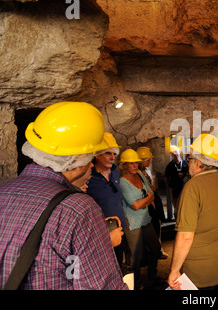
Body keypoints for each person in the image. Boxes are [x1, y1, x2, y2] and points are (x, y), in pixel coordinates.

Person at [0, 101, 128, 290]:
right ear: (78, 161)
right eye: (91, 156)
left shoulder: (4, 191)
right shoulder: (79, 208)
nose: (92, 164)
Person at [168, 134, 218, 290]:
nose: (188, 164)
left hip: (201, 271)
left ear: (199, 162)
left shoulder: (192, 187)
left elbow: (185, 236)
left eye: (190, 160)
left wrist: (174, 271)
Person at [119, 149, 162, 289]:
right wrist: (147, 199)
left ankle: (152, 277)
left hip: (145, 219)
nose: (134, 166)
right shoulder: (123, 182)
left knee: (156, 248)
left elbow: (152, 194)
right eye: (130, 164)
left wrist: (147, 199)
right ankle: (136, 285)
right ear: (124, 165)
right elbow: (135, 205)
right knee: (135, 256)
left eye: (136, 163)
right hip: (132, 223)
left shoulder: (140, 175)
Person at [86, 132, 126, 269]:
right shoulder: (88, 176)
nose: (112, 157)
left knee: (118, 266)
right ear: (97, 155)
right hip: (101, 235)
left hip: (119, 229)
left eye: (114, 154)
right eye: (108, 153)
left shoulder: (115, 171)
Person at [136, 146, 168, 260]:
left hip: (153, 201)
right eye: (148, 160)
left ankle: (157, 250)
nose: (149, 162)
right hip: (148, 204)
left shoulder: (145, 171)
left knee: (156, 225)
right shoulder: (138, 173)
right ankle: (155, 252)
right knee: (153, 228)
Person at [164, 146, 189, 218]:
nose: (175, 154)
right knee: (177, 208)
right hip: (175, 190)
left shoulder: (186, 163)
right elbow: (166, 177)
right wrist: (170, 187)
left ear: (179, 152)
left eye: (176, 151)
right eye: (173, 152)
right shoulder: (170, 165)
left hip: (185, 189)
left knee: (185, 207)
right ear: (171, 154)